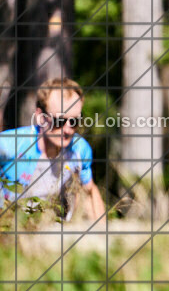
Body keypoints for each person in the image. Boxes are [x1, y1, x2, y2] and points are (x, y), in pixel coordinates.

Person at [0, 78, 105, 221]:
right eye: (59, 121)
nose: (67, 130)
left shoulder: (79, 150)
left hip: (50, 227)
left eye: (74, 121)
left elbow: (90, 192)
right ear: (40, 117)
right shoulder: (10, 145)